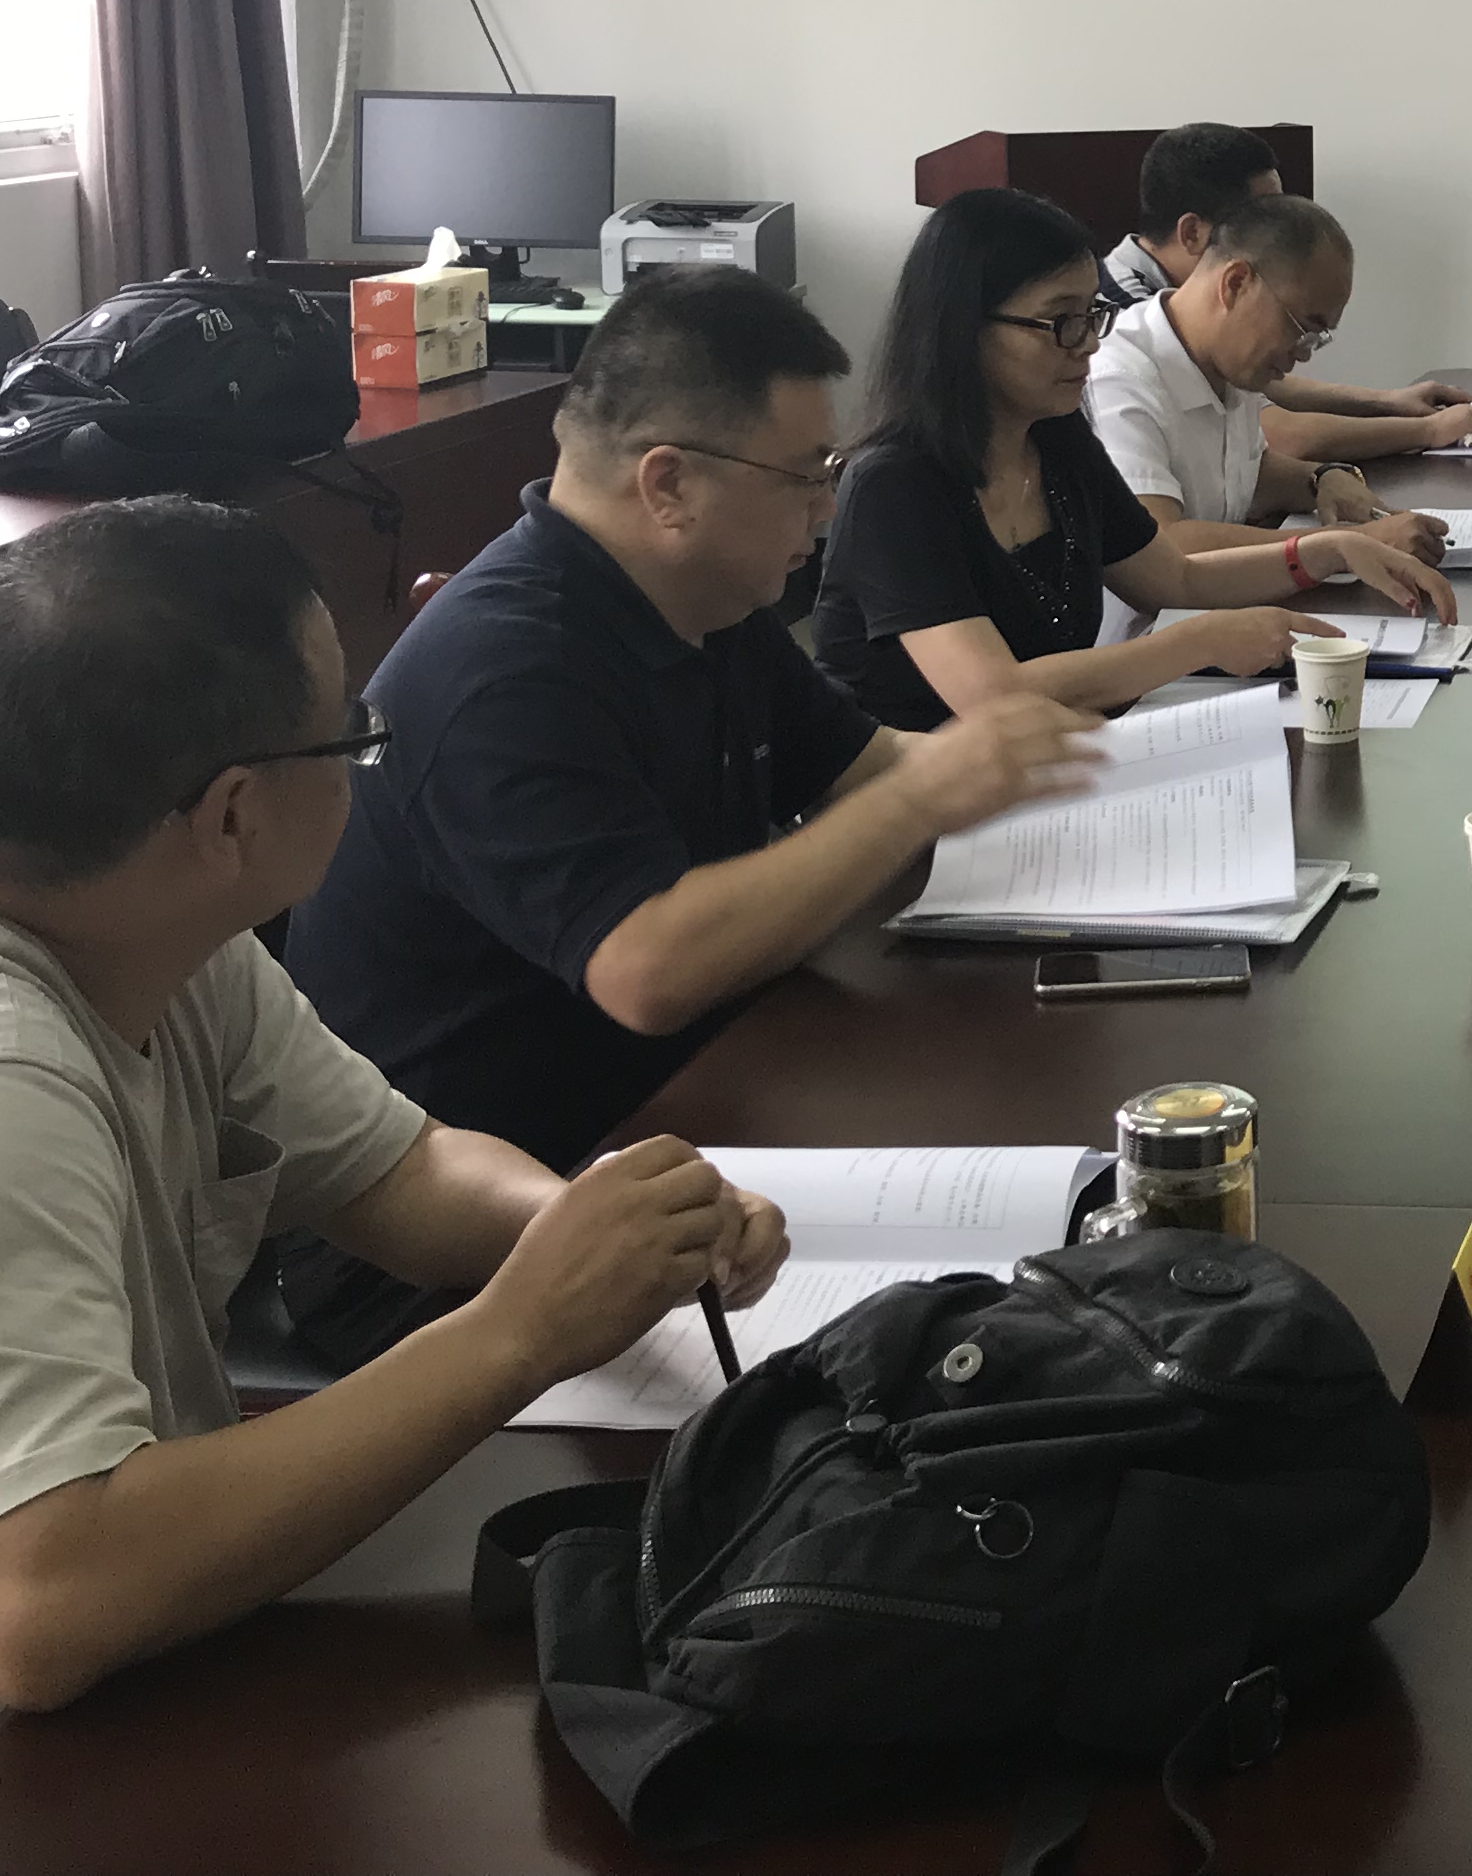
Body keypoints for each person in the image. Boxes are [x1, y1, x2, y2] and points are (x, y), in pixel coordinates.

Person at [0, 500, 780, 1857]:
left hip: (103, 1689)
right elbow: (47, 1606)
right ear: (232, 812)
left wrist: (603, 1233)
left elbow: (400, 1167)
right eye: (352, 736)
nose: (366, 760)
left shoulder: (143, 935)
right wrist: (520, 1332)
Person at [277, 270, 1096, 1369]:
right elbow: (646, 967)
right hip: (463, 1244)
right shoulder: (503, 668)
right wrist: (926, 791)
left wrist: (1026, 775)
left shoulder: (707, 601)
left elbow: (869, 771)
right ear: (668, 485)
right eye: (807, 476)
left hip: (679, 1130)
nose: (826, 511)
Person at [816, 188, 1461, 730]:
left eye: (1091, 314)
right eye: (1061, 322)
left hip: (1055, 767)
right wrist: (1199, 641)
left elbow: (1176, 579)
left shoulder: (1056, 441)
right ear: (965, 327)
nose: (1089, 346)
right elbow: (992, 695)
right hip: (921, 809)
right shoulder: (894, 485)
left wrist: (1329, 551)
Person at [1106, 123, 1472, 463]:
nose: (1281, 229)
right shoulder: (1115, 318)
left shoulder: (1204, 324)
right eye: (1261, 217)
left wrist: (1387, 401)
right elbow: (1280, 436)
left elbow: (1263, 391)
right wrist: (1429, 430)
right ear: (1194, 233)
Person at [1084, 192, 1456, 555]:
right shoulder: (1120, 379)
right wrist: (1353, 543)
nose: (1304, 353)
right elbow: (1161, 544)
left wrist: (1321, 479)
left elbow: (1245, 473)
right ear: (1236, 284)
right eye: (1303, 327)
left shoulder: (1228, 364)